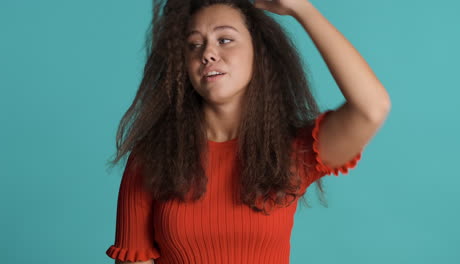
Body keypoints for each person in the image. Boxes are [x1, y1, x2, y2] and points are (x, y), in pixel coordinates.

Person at [105, 0, 391, 263]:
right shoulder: (151, 159)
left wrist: (301, 9)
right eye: (193, 45)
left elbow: (372, 107)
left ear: (259, 52)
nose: (207, 53)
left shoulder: (292, 151)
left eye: (225, 39)